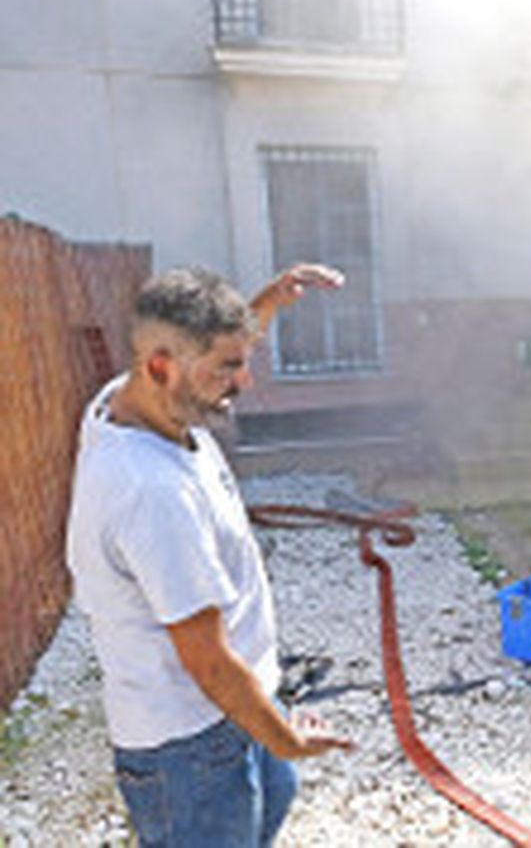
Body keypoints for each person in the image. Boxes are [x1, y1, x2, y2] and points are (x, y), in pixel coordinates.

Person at [67, 264, 354, 847]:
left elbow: (199, 348)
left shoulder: (125, 402)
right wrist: (286, 738)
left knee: (276, 798)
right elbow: (207, 662)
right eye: (229, 367)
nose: (244, 381)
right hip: (189, 746)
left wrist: (266, 304)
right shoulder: (151, 494)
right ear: (159, 368)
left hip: (240, 703)